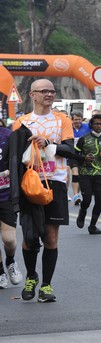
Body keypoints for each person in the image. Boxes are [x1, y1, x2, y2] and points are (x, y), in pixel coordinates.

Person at [12, 79, 75, 302]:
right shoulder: (21, 122)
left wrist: (47, 142)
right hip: (30, 183)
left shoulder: (62, 120)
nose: (49, 94)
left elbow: (70, 150)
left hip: (54, 182)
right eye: (44, 91)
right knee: (29, 237)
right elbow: (13, 155)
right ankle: (31, 277)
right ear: (33, 95)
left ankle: (46, 286)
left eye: (52, 91)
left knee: (50, 236)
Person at [73, 114, 101, 234]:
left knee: (99, 200)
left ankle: (93, 225)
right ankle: (82, 212)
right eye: (96, 123)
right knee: (87, 199)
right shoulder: (83, 139)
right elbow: (75, 156)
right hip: (85, 173)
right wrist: (84, 158)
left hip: (100, 174)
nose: (99, 126)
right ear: (91, 125)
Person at [0, 123, 23, 289]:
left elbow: (18, 158)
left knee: (9, 240)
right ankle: (0, 271)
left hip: (5, 194)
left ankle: (10, 260)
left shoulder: (7, 135)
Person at [70, 110, 90, 206]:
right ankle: (75, 195)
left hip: (84, 156)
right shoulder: (69, 128)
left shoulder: (87, 127)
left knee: (81, 177)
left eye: (79, 119)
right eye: (75, 119)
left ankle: (77, 193)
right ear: (72, 120)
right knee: (75, 173)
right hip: (73, 155)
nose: (77, 121)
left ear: (82, 119)